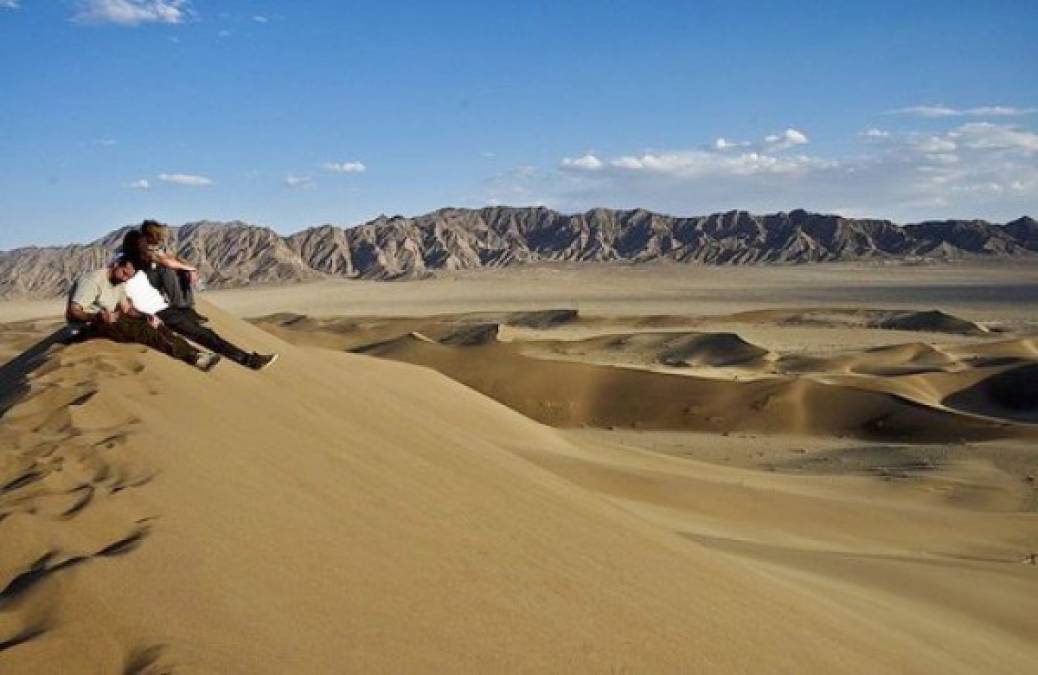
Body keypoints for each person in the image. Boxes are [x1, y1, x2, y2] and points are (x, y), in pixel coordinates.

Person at [66, 257, 221, 372]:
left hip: (110, 320)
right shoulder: (93, 281)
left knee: (154, 324)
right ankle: (194, 359)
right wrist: (97, 317)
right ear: (114, 265)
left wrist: (145, 316)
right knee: (145, 333)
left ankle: (197, 352)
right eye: (124, 273)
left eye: (129, 276)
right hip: (86, 327)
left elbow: (126, 308)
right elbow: (74, 311)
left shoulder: (119, 282)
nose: (126, 278)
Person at [123, 265, 278, 370]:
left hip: (168, 309)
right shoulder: (121, 285)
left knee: (205, 333)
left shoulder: (142, 272)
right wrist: (145, 316)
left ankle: (245, 359)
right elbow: (126, 307)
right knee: (202, 335)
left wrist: (189, 271)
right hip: (157, 314)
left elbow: (167, 267)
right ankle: (248, 360)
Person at [139, 220, 202, 318]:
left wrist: (187, 268)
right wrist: (191, 269)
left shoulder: (158, 246)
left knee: (182, 271)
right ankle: (180, 306)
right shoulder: (143, 247)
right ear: (149, 235)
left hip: (155, 280)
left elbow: (173, 257)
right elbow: (165, 262)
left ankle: (189, 308)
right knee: (165, 269)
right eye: (157, 234)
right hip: (145, 283)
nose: (160, 237)